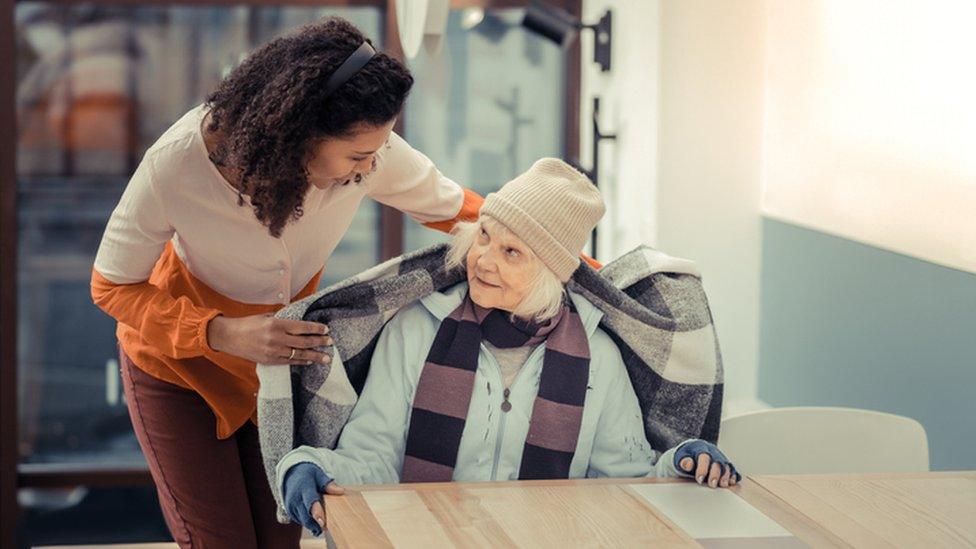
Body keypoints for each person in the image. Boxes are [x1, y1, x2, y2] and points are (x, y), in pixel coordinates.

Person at [90, 17, 483, 548]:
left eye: (377, 153)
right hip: (176, 371)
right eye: (357, 156)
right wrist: (225, 333)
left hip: (272, 376)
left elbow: (467, 213)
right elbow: (112, 286)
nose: (370, 169)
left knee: (281, 540)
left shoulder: (372, 154)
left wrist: (576, 260)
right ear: (299, 131)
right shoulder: (176, 165)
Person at [277, 159, 739, 537]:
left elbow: (621, 480)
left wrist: (681, 464)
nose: (483, 260)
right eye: (483, 236)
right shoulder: (415, 331)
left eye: (511, 252)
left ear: (549, 272)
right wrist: (308, 463)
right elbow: (372, 456)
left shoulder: (599, 355)